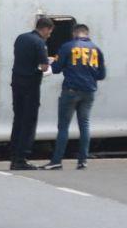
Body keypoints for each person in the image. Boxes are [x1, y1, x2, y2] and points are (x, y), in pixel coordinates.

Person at [42, 24, 106, 170]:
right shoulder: (96, 49)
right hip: (89, 92)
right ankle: (82, 161)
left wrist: (61, 64)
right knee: (84, 125)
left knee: (64, 126)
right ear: (87, 34)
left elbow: (56, 69)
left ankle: (57, 161)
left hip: (71, 91)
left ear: (74, 33)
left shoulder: (68, 46)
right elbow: (102, 75)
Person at [8, 17, 55, 170]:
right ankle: (21, 158)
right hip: (30, 86)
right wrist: (49, 64)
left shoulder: (21, 38)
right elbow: (43, 67)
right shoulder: (40, 43)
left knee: (18, 119)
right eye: (50, 32)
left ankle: (14, 155)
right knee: (29, 121)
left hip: (16, 83)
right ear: (46, 29)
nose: (49, 35)